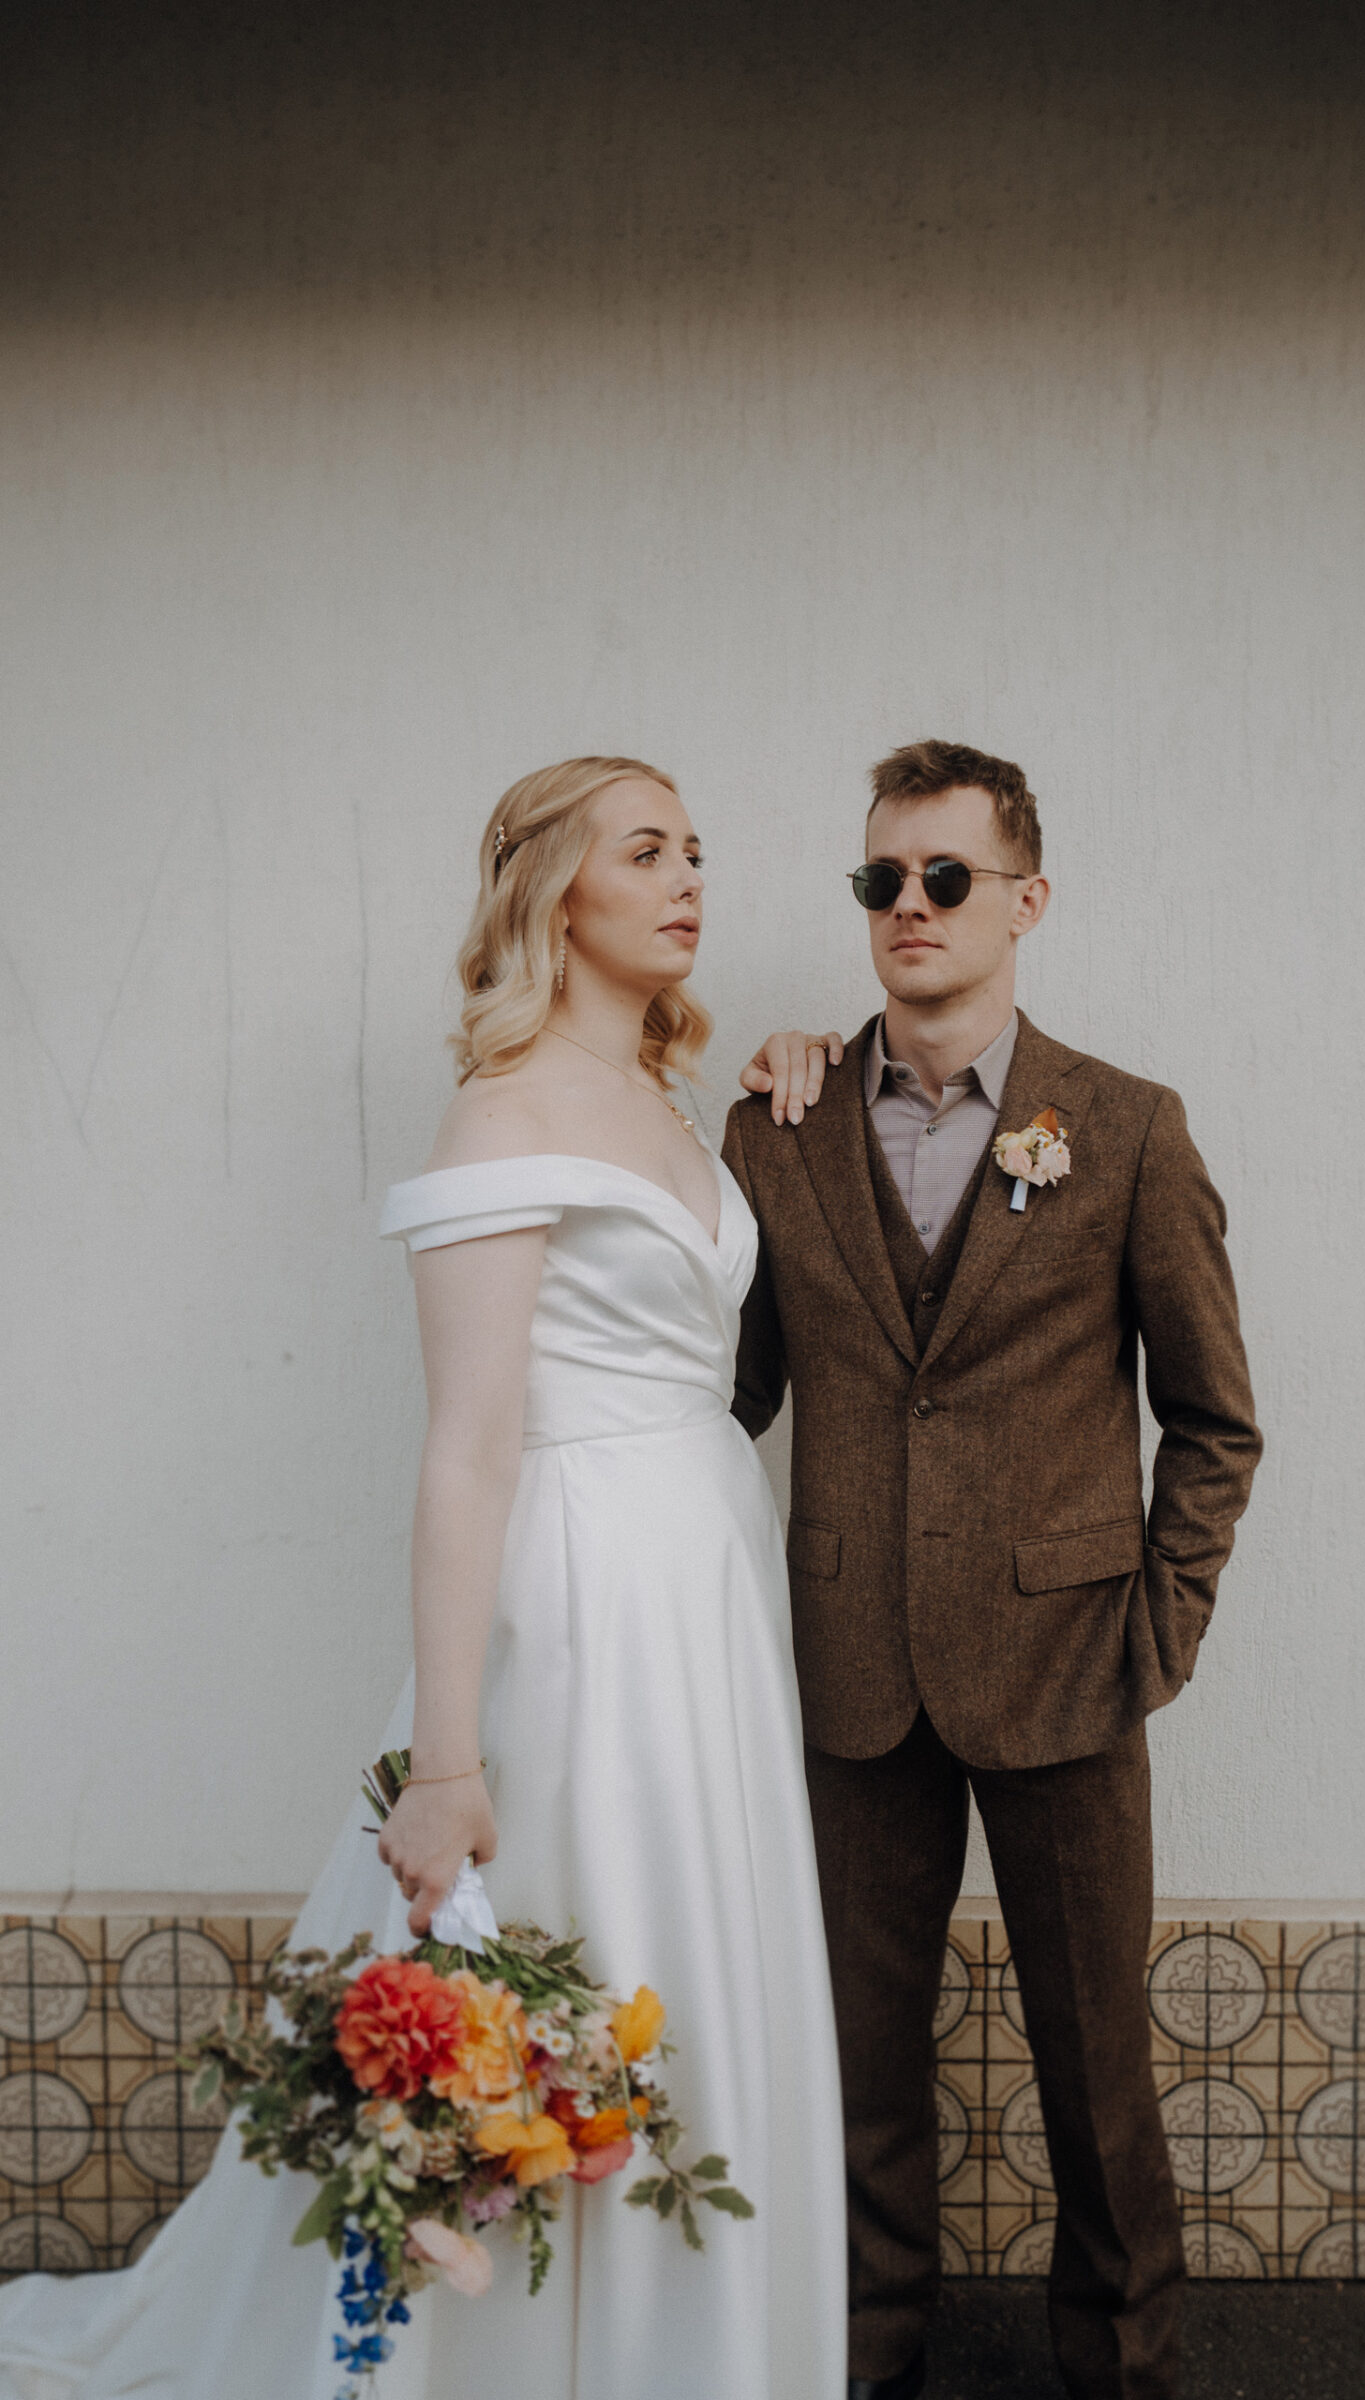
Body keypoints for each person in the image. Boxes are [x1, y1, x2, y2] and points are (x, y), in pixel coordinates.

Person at [0, 756, 846, 2400]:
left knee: (694, 1956)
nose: (690, 880)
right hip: (587, 1601)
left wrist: (808, 1054)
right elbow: (466, 1449)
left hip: (708, 1592)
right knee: (575, 1941)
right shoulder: (505, 1109)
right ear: (554, 892)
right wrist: (446, 1765)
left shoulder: (677, 1105)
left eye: (698, 853)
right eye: (648, 852)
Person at [724, 740, 1262, 2400]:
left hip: (1067, 1666)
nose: (910, 907)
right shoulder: (779, 1123)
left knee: (1100, 2068)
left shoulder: (1125, 1128)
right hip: (848, 1670)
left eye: (946, 878)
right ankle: (860, 2357)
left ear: (1026, 900)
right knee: (854, 2065)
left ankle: (1119, 2366)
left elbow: (1215, 1421)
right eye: (881, 879)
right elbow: (726, 1395)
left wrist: (1151, 1635)